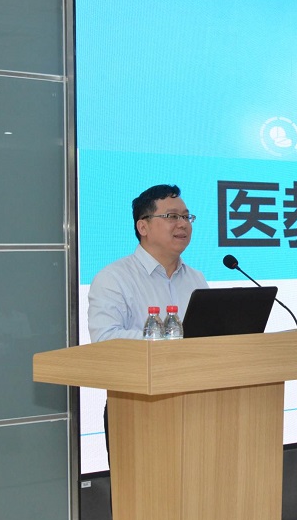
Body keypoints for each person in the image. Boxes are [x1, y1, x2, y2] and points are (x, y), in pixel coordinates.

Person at [87, 183, 208, 461]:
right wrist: (168, 340)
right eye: (172, 216)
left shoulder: (196, 278)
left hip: (196, 403)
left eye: (186, 216)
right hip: (137, 406)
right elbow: (105, 340)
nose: (183, 224)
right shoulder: (113, 278)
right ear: (143, 226)